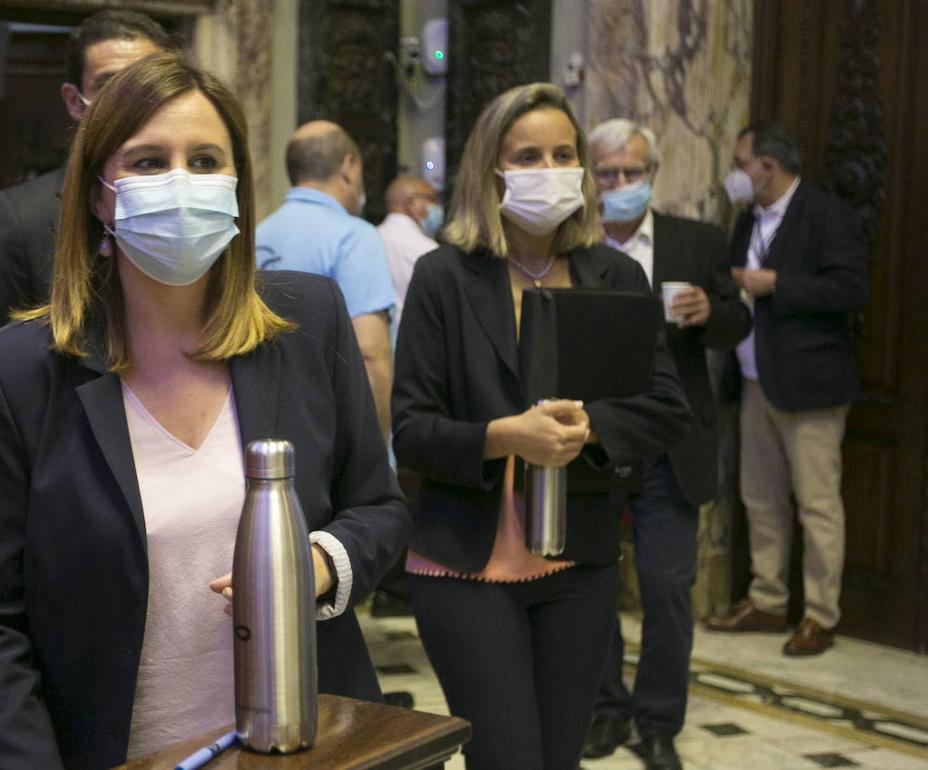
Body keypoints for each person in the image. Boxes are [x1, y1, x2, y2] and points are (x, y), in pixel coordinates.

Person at [0, 53, 410, 769]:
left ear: (237, 186)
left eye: (204, 161)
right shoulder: (19, 370)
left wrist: (316, 563)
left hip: (304, 743)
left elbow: (378, 510)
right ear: (100, 194)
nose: (181, 185)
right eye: (148, 162)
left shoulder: (307, 321)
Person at [392, 83, 691, 770]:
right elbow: (410, 430)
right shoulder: (444, 277)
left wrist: (587, 426)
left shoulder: (612, 274)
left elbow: (666, 404)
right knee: (508, 759)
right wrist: (506, 436)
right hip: (463, 562)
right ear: (490, 170)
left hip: (577, 560)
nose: (550, 168)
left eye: (564, 153)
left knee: (559, 761)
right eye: (529, 155)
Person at [0, 10, 175, 557]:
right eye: (110, 87)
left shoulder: (200, 204)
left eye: (146, 83)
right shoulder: (24, 217)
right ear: (75, 101)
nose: (131, 103)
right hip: (71, 502)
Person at [581, 119, 751, 770]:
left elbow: (739, 321)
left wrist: (714, 311)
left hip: (672, 440)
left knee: (667, 589)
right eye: (608, 174)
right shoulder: (574, 242)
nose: (620, 185)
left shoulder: (695, 241)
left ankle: (657, 722)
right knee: (593, 584)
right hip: (595, 437)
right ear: (591, 179)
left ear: (653, 175)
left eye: (632, 173)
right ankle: (605, 709)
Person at [704, 123, 867, 656]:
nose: (736, 173)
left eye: (741, 162)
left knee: (817, 504)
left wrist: (777, 285)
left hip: (811, 386)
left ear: (767, 166)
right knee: (761, 499)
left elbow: (850, 289)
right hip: (754, 380)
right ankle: (769, 601)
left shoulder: (825, 215)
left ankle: (821, 614)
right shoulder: (747, 218)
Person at [256, 121, 396, 434]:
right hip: (330, 435)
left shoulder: (255, 236)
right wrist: (374, 456)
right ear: (348, 167)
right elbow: (370, 354)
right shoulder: (354, 237)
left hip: (263, 429)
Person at [377, 175, 442, 322]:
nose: (436, 207)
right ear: (411, 203)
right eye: (430, 199)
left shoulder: (372, 238)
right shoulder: (428, 250)